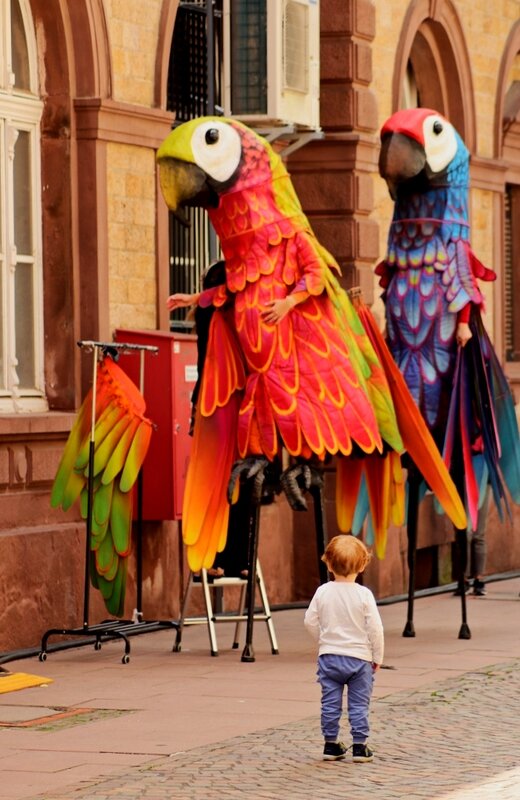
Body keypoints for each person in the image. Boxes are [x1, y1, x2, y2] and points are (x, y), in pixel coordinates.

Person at [304, 534, 384, 763]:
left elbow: (309, 621)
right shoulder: (364, 594)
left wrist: (324, 640)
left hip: (329, 657)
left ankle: (331, 744)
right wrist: (377, 656)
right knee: (359, 703)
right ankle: (360, 746)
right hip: (359, 660)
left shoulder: (323, 591)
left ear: (328, 563)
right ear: (363, 564)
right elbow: (375, 629)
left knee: (330, 702)